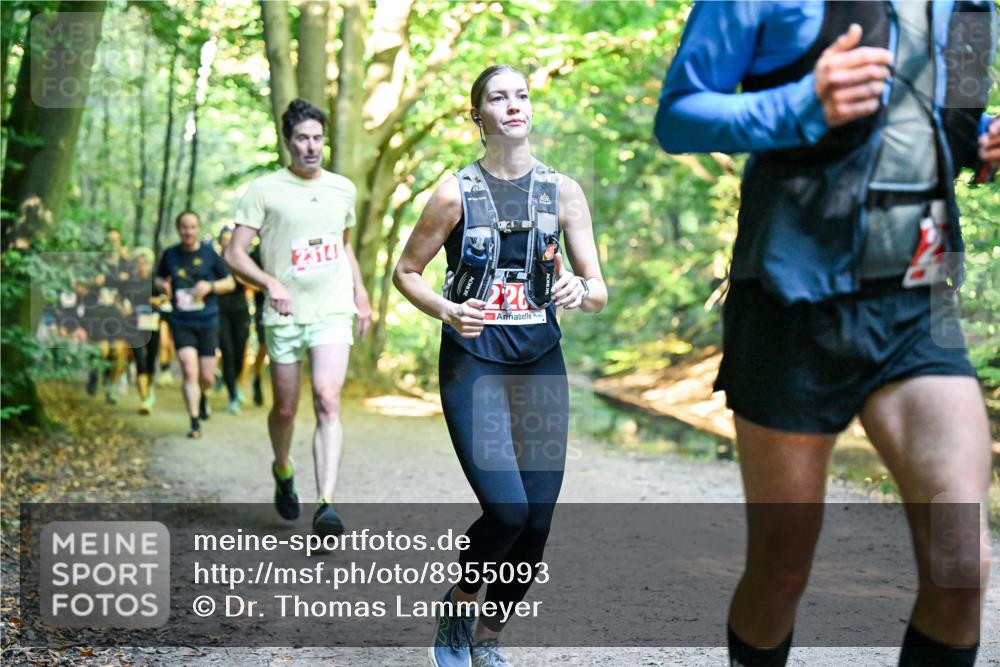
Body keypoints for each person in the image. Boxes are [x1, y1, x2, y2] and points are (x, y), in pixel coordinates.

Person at [655, 3, 998, 666]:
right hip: (792, 299)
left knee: (962, 566)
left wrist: (981, 136)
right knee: (781, 569)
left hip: (917, 303)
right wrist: (798, 103)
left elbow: (932, 123)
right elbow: (678, 116)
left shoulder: (970, 6)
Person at [393, 65, 607, 667]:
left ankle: (488, 638)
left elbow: (597, 289)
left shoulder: (563, 192)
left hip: (540, 360)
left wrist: (578, 289)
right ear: (478, 115)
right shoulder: (453, 192)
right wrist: (446, 309)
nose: (513, 105)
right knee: (507, 511)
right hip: (475, 364)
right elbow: (405, 273)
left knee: (536, 524)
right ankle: (457, 609)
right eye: (497, 98)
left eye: (521, 96)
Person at [223, 99, 372, 538]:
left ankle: (326, 503)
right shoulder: (263, 190)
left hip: (331, 307)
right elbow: (234, 254)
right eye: (303, 138)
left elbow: (344, 247)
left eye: (317, 139)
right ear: (288, 142)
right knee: (285, 408)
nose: (311, 147)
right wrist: (270, 282)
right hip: (284, 313)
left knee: (328, 398)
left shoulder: (342, 189)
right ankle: (283, 468)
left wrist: (361, 293)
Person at [156, 211, 236, 438]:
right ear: (178, 229)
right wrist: (164, 286)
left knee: (207, 377)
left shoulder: (210, 255)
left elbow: (230, 283)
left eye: (191, 227)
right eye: (183, 227)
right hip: (181, 321)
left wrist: (210, 287)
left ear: (198, 229)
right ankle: (194, 422)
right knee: (189, 371)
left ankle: (204, 398)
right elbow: (158, 278)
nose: (187, 231)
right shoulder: (170, 255)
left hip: (208, 320)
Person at [120, 247, 166, 415]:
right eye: (138, 263)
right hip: (135, 326)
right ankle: (145, 399)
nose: (142, 266)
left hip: (153, 325)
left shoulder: (155, 281)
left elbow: (167, 297)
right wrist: (124, 309)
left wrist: (156, 301)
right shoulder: (130, 282)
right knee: (140, 359)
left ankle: (149, 387)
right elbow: (120, 299)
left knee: (150, 360)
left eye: (145, 262)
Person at [216, 228, 252, 414]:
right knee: (228, 353)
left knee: (239, 353)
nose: (227, 242)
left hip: (240, 312)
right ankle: (232, 396)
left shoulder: (243, 260)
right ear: (220, 241)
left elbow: (253, 284)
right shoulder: (215, 261)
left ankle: (232, 381)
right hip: (220, 312)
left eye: (230, 239)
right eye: (224, 239)